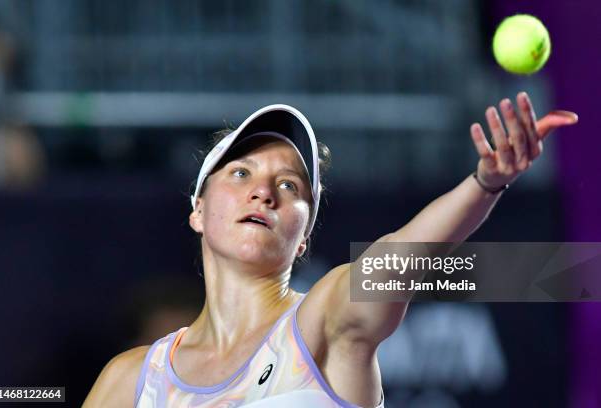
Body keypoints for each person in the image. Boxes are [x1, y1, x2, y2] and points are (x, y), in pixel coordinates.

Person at [83, 94, 577, 407]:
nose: (264, 192)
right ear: (197, 208)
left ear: (305, 240)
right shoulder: (131, 381)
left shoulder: (323, 321)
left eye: (289, 185)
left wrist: (484, 183)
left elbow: (397, 258)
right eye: (241, 173)